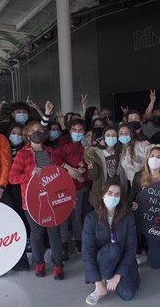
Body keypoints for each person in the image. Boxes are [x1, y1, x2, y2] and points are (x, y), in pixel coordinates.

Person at [8, 121, 66, 280]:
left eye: (40, 130)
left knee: (54, 233)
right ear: (27, 135)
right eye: (33, 130)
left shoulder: (51, 151)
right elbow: (12, 178)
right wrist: (30, 175)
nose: (37, 132)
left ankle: (58, 265)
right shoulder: (23, 154)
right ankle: (39, 263)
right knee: (37, 234)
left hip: (52, 199)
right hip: (31, 201)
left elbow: (59, 174)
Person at [82, 180, 140, 305]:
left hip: (122, 261)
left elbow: (131, 248)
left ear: (121, 197)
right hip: (102, 261)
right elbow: (87, 252)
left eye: (117, 194)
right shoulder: (91, 219)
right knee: (112, 249)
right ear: (103, 195)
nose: (113, 197)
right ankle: (101, 283)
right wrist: (97, 282)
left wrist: (118, 275)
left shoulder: (128, 218)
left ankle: (109, 279)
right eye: (110, 193)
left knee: (128, 294)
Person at [128, 147, 160, 269]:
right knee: (130, 226)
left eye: (158, 156)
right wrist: (132, 204)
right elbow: (130, 197)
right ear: (147, 158)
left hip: (159, 220)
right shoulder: (139, 176)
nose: (155, 159)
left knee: (155, 264)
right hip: (141, 216)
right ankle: (136, 252)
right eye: (152, 156)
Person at [52, 118, 89, 259]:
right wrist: (67, 167)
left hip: (79, 187)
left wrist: (82, 174)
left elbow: (90, 169)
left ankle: (79, 242)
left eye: (80, 130)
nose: (77, 133)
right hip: (63, 188)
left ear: (84, 132)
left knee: (77, 216)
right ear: (70, 131)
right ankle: (64, 245)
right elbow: (54, 157)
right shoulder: (66, 146)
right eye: (74, 130)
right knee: (63, 216)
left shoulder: (87, 148)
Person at [5, 122, 31, 270]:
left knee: (24, 213)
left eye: (19, 134)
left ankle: (27, 239)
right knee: (13, 213)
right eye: (13, 133)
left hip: (24, 185)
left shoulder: (26, 150)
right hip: (8, 186)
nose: (16, 136)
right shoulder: (4, 148)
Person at [85, 126, 127, 209]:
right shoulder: (96, 153)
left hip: (117, 190)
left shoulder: (121, 152)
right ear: (104, 137)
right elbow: (94, 176)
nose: (111, 137)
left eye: (114, 135)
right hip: (101, 190)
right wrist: (91, 168)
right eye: (108, 135)